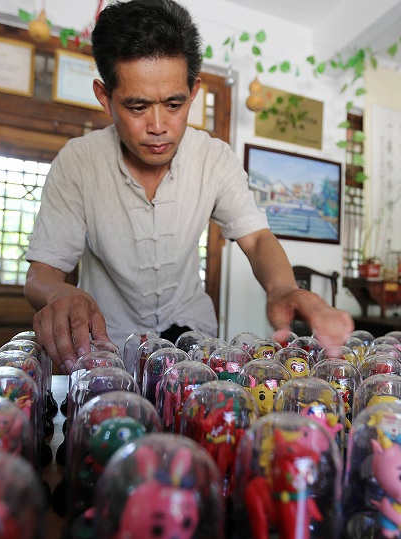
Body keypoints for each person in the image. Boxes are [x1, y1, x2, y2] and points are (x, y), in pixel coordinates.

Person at [24, 0, 353, 374]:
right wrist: (62, 293)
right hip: (105, 342)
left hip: (191, 338)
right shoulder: (78, 162)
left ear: (193, 91)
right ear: (105, 98)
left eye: (174, 104)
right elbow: (42, 273)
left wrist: (282, 288)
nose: (159, 126)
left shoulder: (214, 158)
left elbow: (257, 238)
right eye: (137, 107)